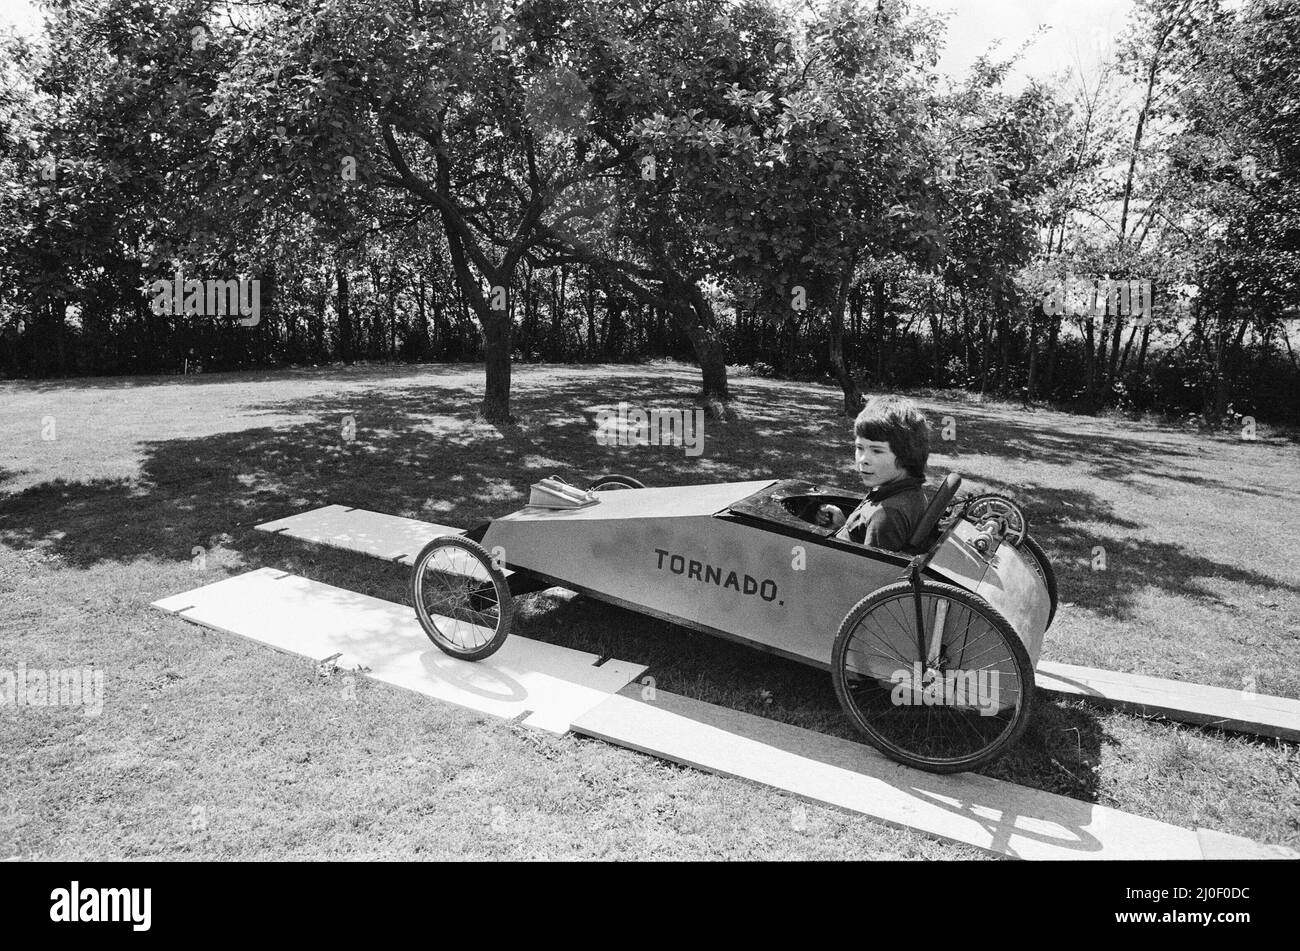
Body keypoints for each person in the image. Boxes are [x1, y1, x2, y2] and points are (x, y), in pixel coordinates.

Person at [836, 395, 931, 551]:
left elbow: (868, 570)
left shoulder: (886, 515)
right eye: (860, 448)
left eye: (877, 451)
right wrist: (843, 525)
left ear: (905, 455)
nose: (863, 459)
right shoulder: (908, 492)